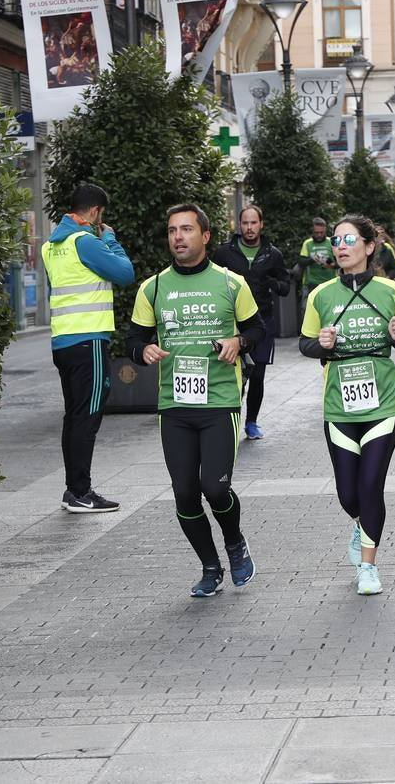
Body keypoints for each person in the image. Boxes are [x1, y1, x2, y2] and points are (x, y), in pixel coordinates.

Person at [128, 204, 265, 597]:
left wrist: (239, 342)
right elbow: (134, 340)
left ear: (205, 236)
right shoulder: (153, 287)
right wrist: (144, 352)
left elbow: (257, 329)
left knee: (215, 488)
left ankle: (235, 542)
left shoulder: (230, 283)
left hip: (220, 401)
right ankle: (210, 566)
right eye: (172, 230)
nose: (178, 237)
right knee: (185, 492)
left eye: (187, 229)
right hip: (174, 404)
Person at [301, 215, 395, 595]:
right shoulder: (320, 295)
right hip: (338, 407)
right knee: (348, 494)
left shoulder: (390, 291)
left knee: (370, 486)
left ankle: (368, 567)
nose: (340, 246)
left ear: (369, 247)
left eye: (349, 239)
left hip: (383, 405)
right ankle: (362, 524)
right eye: (336, 240)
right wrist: (322, 344)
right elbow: (305, 345)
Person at [42, 184, 136, 514]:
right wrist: (109, 239)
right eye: (102, 216)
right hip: (89, 341)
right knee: (88, 416)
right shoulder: (86, 242)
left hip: (62, 342)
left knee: (74, 416)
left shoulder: (51, 246)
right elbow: (126, 273)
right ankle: (81, 491)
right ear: (95, 212)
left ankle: (74, 491)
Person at [211, 204, 292, 440]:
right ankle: (228, 422)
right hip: (231, 322)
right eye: (245, 223)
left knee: (257, 375)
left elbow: (285, 286)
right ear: (239, 225)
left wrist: (271, 283)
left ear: (261, 224)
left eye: (253, 223)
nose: (249, 228)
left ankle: (251, 423)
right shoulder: (224, 252)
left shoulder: (272, 254)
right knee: (234, 375)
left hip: (261, 321)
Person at [296, 218, 337, 305]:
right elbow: (301, 261)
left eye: (321, 233)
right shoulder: (308, 243)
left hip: (330, 282)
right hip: (311, 283)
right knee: (307, 309)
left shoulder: (331, 242)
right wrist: (312, 259)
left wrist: (332, 265)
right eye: (316, 233)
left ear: (325, 230)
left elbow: (341, 262)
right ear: (312, 231)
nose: (319, 235)